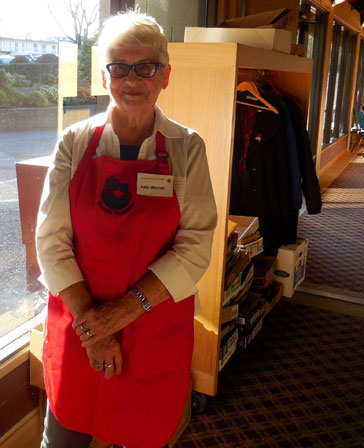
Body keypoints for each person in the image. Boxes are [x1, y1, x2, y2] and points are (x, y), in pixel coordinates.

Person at [36, 10, 217, 448]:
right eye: (119, 67)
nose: (132, 79)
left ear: (165, 76)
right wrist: (95, 329)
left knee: (141, 435)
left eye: (146, 66)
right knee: (63, 438)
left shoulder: (186, 147)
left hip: (153, 326)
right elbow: (51, 241)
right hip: (80, 324)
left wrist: (120, 314)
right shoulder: (75, 143)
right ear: (104, 76)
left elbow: (195, 247)